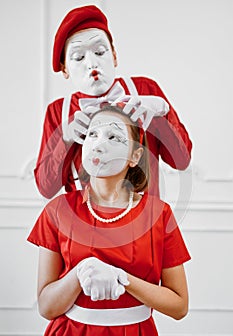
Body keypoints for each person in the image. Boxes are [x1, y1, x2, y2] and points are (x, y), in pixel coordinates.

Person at [28, 103, 191, 336]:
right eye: (92, 134)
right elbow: (46, 307)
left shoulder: (160, 214)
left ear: (135, 156)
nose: (98, 143)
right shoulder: (58, 210)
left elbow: (179, 307)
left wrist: (122, 279)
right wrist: (81, 272)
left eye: (113, 136)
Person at [34, 4, 192, 199]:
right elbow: (45, 188)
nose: (92, 63)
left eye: (100, 52)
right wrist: (64, 141)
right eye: (79, 57)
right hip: (83, 225)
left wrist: (162, 112)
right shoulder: (57, 111)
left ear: (114, 56)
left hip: (144, 222)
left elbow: (181, 161)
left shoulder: (146, 90)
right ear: (65, 69)